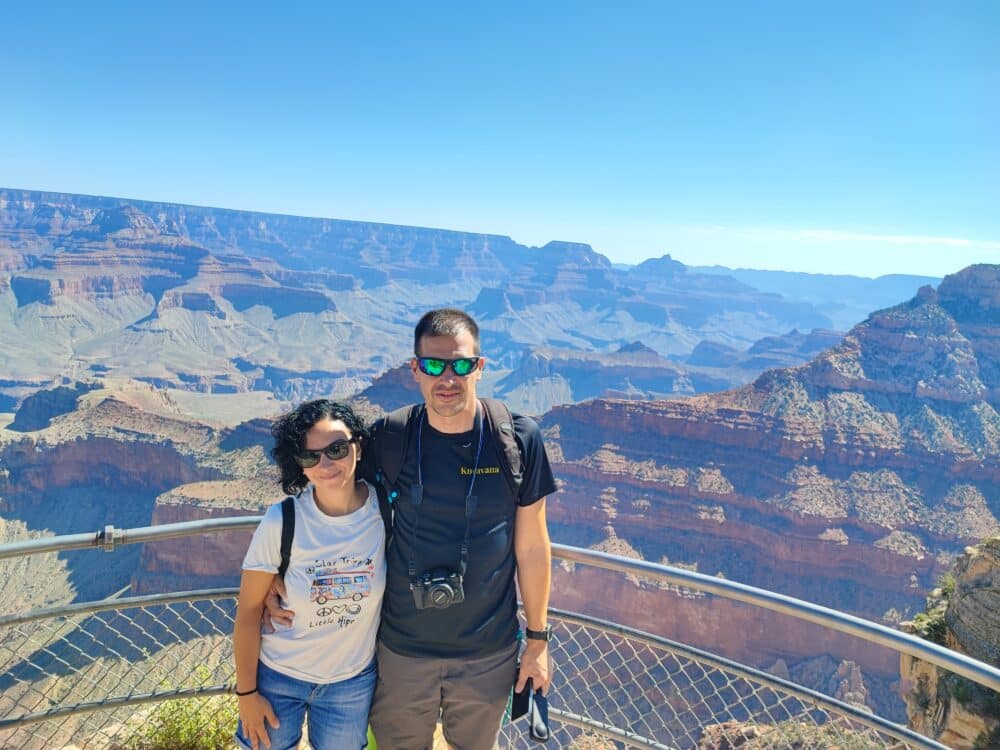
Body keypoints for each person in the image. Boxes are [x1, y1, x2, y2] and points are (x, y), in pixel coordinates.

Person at [267, 308, 557, 750]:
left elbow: (533, 545)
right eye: (433, 365)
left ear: (480, 367)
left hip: (487, 652)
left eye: (460, 364)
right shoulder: (391, 437)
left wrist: (537, 641)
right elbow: (331, 493)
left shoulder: (517, 440)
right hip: (402, 650)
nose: (448, 377)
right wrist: (277, 569)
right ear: (415, 370)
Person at [234, 399, 385, 750]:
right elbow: (248, 612)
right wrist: (247, 694)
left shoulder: (387, 512)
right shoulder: (281, 521)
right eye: (310, 456)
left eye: (336, 449)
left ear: (358, 447)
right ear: (298, 464)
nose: (325, 464)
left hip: (351, 684)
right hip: (277, 678)